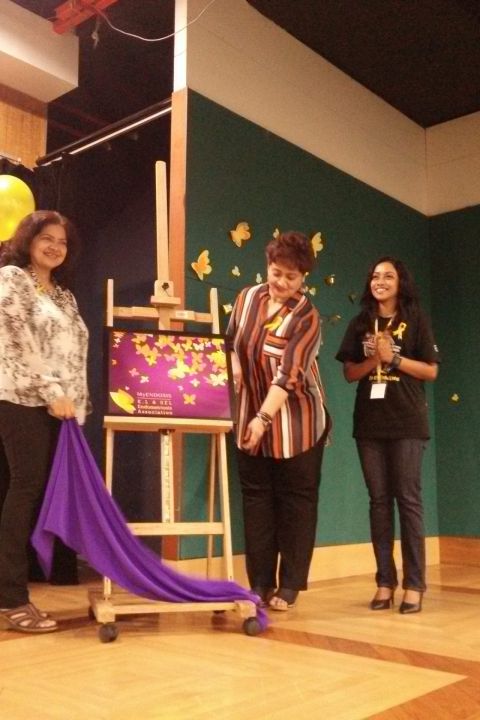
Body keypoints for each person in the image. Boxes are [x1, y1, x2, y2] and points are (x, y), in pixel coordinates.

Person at [227, 231, 330, 611]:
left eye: (291, 277)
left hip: (296, 422)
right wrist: (235, 366)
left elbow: (290, 375)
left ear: (303, 278)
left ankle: (289, 585)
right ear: (267, 266)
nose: (282, 282)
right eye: (276, 273)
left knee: (296, 504)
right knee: (256, 501)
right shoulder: (247, 298)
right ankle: (260, 583)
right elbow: (230, 341)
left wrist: (263, 418)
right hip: (249, 415)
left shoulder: (306, 316)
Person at [0, 210, 89, 633]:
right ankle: (10, 599)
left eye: (62, 241)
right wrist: (52, 391)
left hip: (58, 408)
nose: (55, 246)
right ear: (29, 240)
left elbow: (75, 353)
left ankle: (15, 595)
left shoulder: (64, 296)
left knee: (35, 495)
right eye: (46, 238)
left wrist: (75, 405)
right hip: (21, 397)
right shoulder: (12, 279)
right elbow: (17, 341)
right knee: (25, 489)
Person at [336, 256, 439, 614]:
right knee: (378, 502)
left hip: (407, 422)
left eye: (388, 276)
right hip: (369, 424)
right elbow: (350, 373)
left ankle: (415, 585)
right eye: (375, 276)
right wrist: (374, 360)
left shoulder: (416, 319)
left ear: (400, 283)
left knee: (408, 500)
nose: (380, 281)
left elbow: (430, 371)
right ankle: (384, 582)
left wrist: (393, 359)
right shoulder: (360, 322)